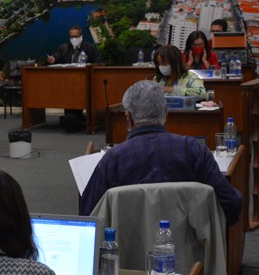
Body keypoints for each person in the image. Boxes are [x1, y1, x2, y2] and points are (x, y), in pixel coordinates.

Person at [79, 80, 241, 224]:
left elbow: (88, 216)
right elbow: (232, 205)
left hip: (126, 248)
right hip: (188, 248)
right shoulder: (194, 150)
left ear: (128, 117)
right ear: (166, 114)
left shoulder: (112, 160)